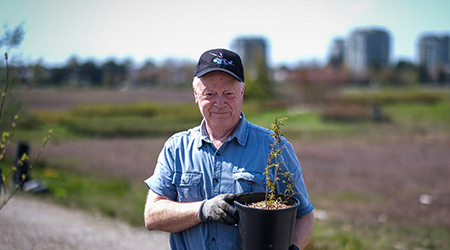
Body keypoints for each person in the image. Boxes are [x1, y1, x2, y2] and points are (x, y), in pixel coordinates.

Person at [144, 48, 314, 250]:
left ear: (242, 93)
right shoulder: (176, 148)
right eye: (210, 94)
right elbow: (152, 216)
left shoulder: (274, 147)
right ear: (196, 95)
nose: (220, 103)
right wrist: (202, 210)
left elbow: (303, 214)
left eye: (228, 94)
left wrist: (292, 248)